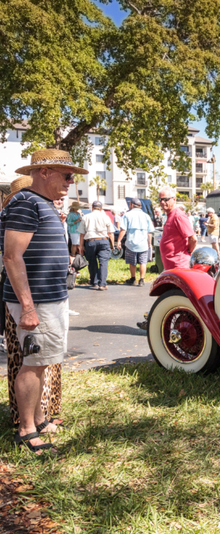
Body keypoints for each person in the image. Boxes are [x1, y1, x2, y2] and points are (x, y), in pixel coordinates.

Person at [2, 149, 84, 453]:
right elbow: (12, 256)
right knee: (33, 365)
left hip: (52, 299)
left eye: (72, 176)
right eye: (67, 175)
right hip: (37, 303)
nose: (71, 181)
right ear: (44, 172)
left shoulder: (44, 203)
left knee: (43, 361)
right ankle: (26, 431)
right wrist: (27, 307)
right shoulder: (26, 202)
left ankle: (37, 418)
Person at [117, 198, 154, 286]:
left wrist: (119, 241)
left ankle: (133, 278)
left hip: (131, 243)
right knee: (143, 262)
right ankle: (142, 280)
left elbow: (123, 230)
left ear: (132, 205)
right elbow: (149, 232)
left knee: (132, 262)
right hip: (143, 244)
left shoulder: (127, 215)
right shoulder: (146, 216)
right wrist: (150, 243)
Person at [79, 200, 114, 290]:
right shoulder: (105, 217)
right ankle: (102, 284)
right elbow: (110, 233)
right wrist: (112, 245)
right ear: (101, 208)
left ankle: (94, 282)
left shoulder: (85, 217)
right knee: (103, 263)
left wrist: (81, 246)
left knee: (92, 262)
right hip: (103, 240)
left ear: (92, 207)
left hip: (90, 241)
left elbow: (82, 234)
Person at [158, 187, 197, 270]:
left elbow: (193, 239)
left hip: (179, 265)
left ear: (174, 199)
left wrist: (188, 252)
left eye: (165, 199)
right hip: (170, 265)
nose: (162, 202)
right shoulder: (169, 215)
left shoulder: (178, 216)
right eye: (160, 199)